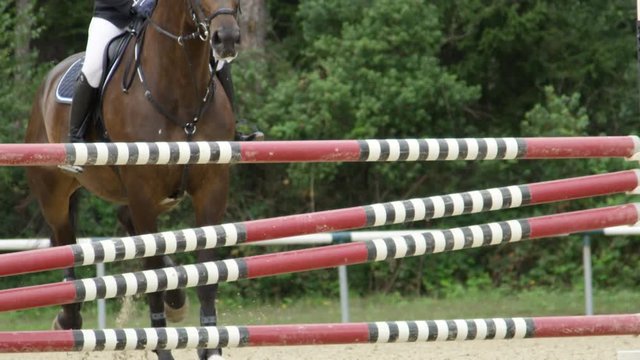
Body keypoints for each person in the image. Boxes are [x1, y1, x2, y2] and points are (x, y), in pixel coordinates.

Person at [68, 0, 262, 144]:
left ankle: (233, 130)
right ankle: (76, 136)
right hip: (113, 15)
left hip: (156, 15)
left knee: (219, 61)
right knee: (94, 67)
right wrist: (133, 5)